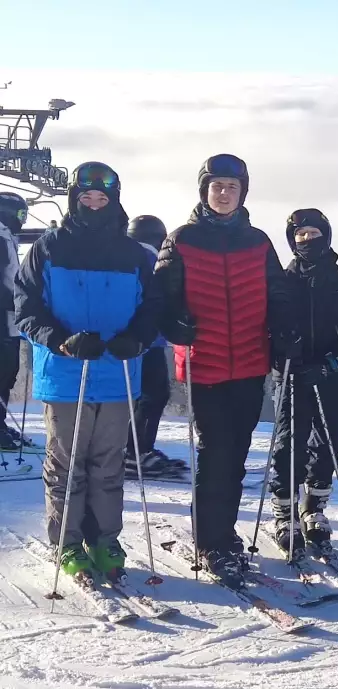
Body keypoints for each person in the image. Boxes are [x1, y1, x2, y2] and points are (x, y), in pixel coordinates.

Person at [154, 154, 297, 587]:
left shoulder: (257, 241)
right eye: (216, 186)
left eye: (231, 187)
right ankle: (210, 540)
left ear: (242, 193)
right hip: (205, 364)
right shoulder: (182, 240)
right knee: (215, 453)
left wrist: (283, 332)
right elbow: (160, 298)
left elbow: (278, 294)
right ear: (204, 191)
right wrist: (174, 324)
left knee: (235, 456)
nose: (223, 193)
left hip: (251, 364)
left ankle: (223, 532)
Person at [14, 162, 160, 577]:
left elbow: (153, 307)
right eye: (86, 198)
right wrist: (59, 339)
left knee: (108, 466)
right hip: (64, 373)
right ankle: (68, 542)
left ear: (114, 202)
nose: (94, 205)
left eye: (102, 199)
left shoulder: (133, 255)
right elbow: (26, 307)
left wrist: (138, 338)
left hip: (116, 373)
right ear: (74, 200)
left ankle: (106, 541)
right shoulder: (49, 247)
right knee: (66, 465)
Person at [267, 208, 338, 557]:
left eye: (313, 234)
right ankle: (284, 511)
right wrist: (280, 348)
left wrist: (331, 363)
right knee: (288, 441)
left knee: (327, 439)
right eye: (300, 235)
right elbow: (266, 326)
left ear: (327, 236)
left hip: (329, 373)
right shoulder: (281, 280)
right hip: (291, 371)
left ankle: (314, 506)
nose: (307, 241)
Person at [123, 215, 185, 480]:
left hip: (132, 339)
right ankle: (135, 452)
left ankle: (134, 450)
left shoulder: (126, 255)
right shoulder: (150, 259)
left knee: (140, 397)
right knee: (153, 396)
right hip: (149, 340)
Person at [0, 192, 27, 450]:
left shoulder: (7, 237)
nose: (24, 221)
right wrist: (17, 304)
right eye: (21, 215)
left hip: (10, 320)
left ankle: (1, 424)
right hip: (3, 318)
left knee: (8, 375)